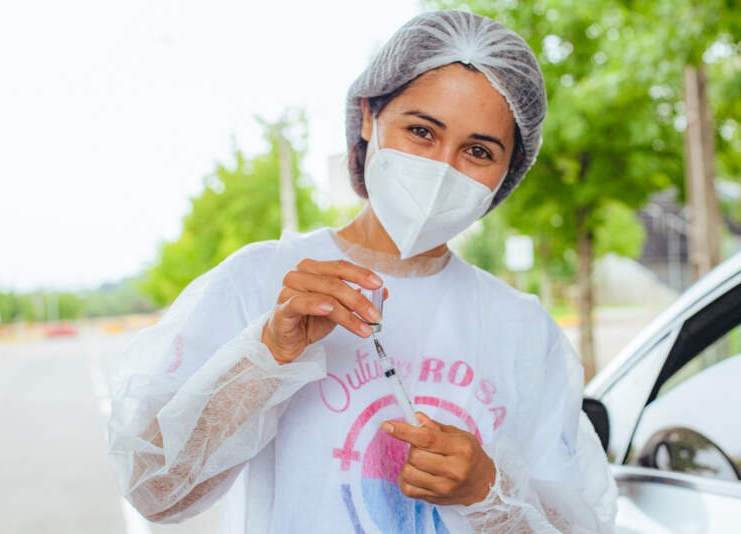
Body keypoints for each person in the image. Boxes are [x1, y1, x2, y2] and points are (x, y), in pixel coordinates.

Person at [107, 9, 618, 533]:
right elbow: (155, 492)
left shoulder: (523, 331)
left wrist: (490, 492)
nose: (442, 168)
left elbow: (578, 525)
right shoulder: (262, 282)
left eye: (478, 150)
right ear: (370, 115)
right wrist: (266, 356)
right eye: (422, 131)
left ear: (508, 171)